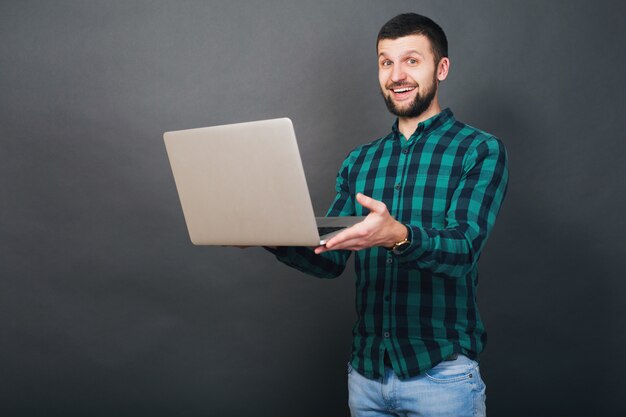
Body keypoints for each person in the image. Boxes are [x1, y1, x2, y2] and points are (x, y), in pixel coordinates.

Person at [267, 13, 508, 417]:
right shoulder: (360, 161)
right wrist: (268, 235)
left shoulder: (479, 150)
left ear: (441, 67)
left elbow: (464, 248)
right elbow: (330, 258)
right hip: (366, 380)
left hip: (442, 379)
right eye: (385, 62)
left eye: (411, 60)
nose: (396, 74)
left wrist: (399, 235)